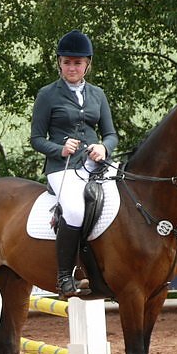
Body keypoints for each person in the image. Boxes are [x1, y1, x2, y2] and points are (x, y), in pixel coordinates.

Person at [30, 30, 118, 298]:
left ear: (87, 64)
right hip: (62, 168)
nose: (72, 67)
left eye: (77, 63)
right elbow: (35, 139)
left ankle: (113, 271)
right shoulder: (47, 95)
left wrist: (104, 147)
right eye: (67, 62)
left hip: (95, 164)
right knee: (76, 210)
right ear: (59, 63)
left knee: (124, 200)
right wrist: (60, 149)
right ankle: (64, 276)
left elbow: (111, 134)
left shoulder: (97, 95)